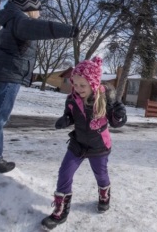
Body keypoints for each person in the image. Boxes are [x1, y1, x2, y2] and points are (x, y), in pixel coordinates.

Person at [0, 0, 79, 173]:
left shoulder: (9, 21)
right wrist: (68, 30)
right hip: (8, 74)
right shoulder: (20, 21)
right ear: (29, 8)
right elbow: (38, 28)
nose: (39, 15)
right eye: (37, 11)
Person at [41, 56, 127, 230]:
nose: (78, 88)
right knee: (64, 173)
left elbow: (116, 123)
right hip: (78, 143)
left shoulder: (105, 99)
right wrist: (65, 120)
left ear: (93, 84)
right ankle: (60, 210)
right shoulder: (72, 99)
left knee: (101, 175)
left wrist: (119, 114)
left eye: (82, 85)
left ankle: (104, 195)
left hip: (99, 146)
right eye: (75, 84)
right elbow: (70, 115)